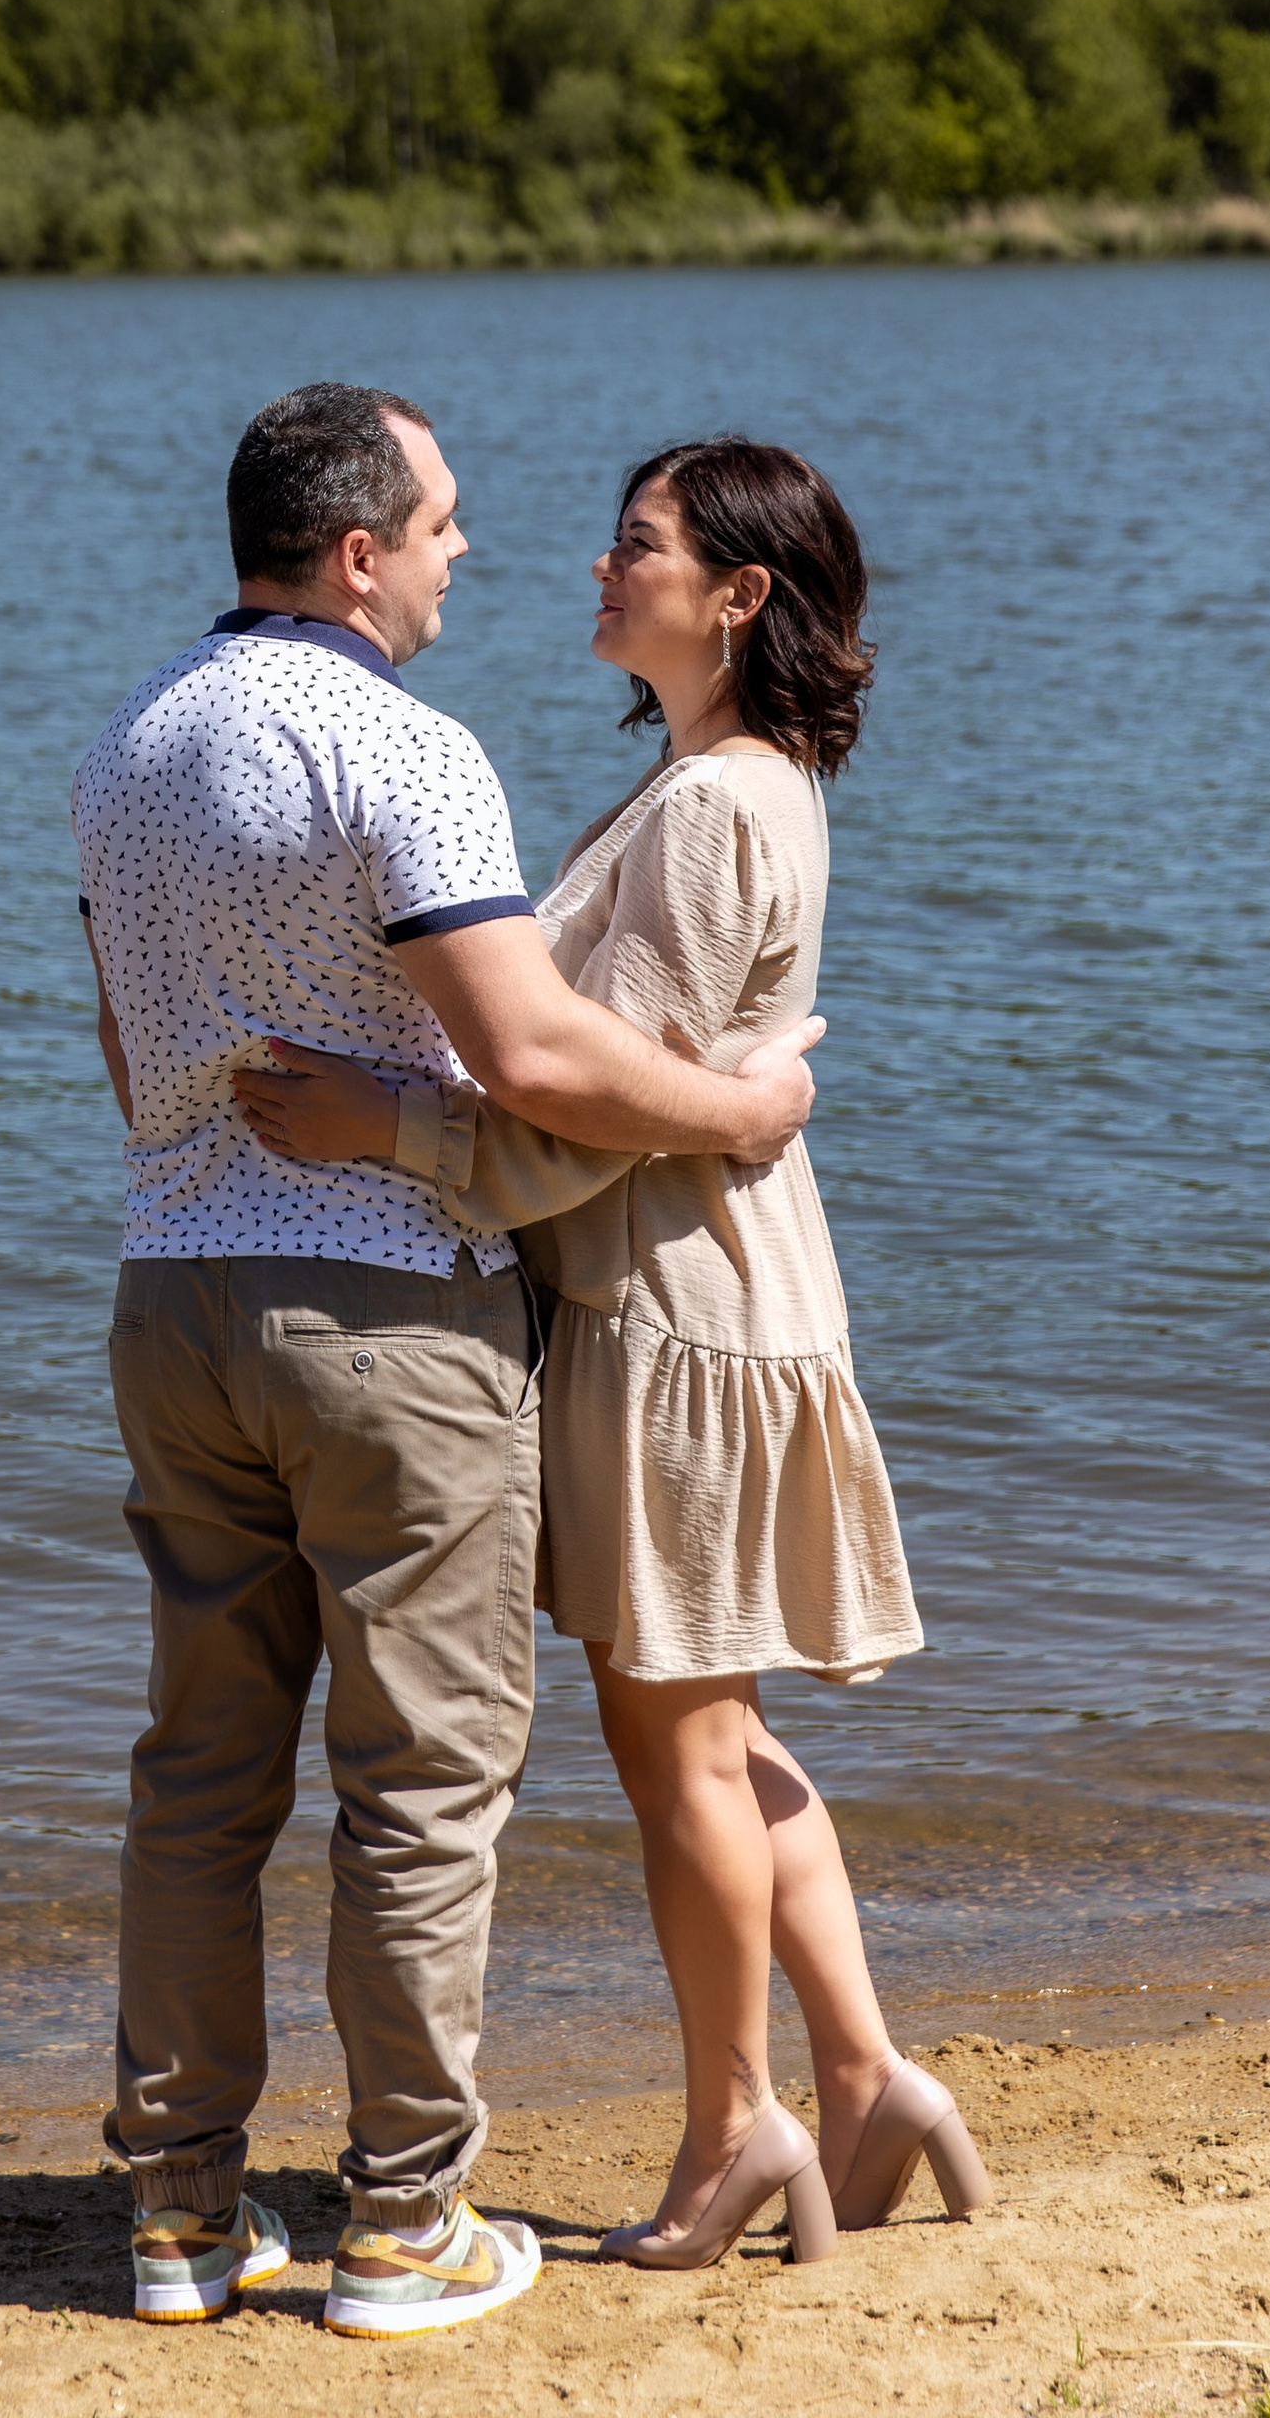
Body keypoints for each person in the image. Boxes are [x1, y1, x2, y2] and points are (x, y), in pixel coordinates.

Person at [71, 383, 826, 2339]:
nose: (462, 552)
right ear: (357, 554)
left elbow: (131, 1060)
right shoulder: (400, 747)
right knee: (418, 1784)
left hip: (172, 1294)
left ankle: (180, 2215)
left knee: (197, 1774)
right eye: (439, 524)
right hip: (386, 1316)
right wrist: (742, 1114)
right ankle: (404, 2223)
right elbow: (534, 1054)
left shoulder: (128, 742)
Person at [235, 435, 992, 2271]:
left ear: (738, 594)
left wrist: (387, 1129)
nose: (597, 564)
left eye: (637, 544)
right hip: (707, 1297)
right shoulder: (718, 786)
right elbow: (647, 1089)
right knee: (720, 1734)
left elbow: (593, 1117)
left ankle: (737, 2131)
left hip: (670, 1317)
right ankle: (867, 2076)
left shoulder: (716, 808)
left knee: (682, 1761)